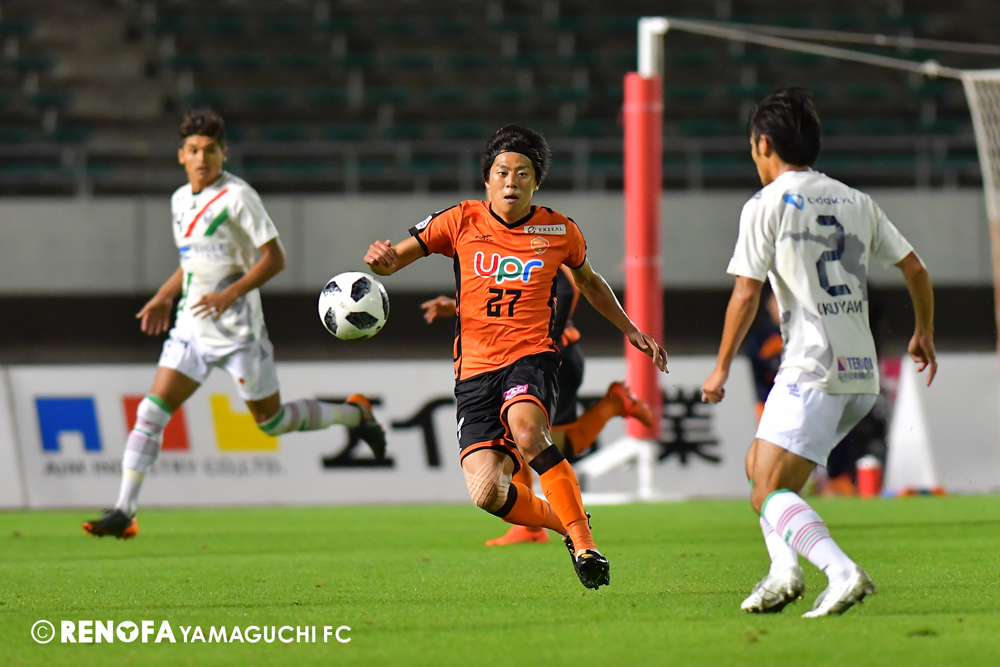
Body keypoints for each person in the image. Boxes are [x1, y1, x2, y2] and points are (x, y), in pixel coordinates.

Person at [365, 125, 667, 589]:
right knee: (488, 491)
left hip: (531, 357)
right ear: (487, 179)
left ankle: (585, 544)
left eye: (523, 173)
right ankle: (568, 524)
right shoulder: (459, 220)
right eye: (502, 172)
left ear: (536, 183)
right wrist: (381, 260)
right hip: (473, 373)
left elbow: (589, 283)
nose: (511, 182)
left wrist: (630, 330)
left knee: (529, 431)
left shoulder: (559, 230)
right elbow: (395, 259)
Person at [83, 109, 386, 539]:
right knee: (151, 410)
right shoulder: (179, 200)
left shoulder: (238, 197)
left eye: (209, 150)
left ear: (223, 153)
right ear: (181, 155)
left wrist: (230, 294)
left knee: (271, 422)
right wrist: (165, 295)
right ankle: (124, 511)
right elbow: (193, 262)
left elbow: (275, 258)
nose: (201, 158)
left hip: (240, 333)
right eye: (193, 150)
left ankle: (354, 414)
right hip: (192, 328)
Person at [700, 89, 936, 617]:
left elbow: (746, 293)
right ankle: (783, 572)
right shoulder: (855, 200)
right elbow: (915, 268)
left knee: (766, 489)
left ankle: (841, 570)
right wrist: (924, 332)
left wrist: (720, 367)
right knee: (759, 467)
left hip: (812, 365)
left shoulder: (766, 204)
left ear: (764, 144)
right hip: (860, 373)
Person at [421, 266, 655, 546]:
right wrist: (459, 306)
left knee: (547, 446)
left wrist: (545, 343)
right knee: (522, 438)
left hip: (547, 358)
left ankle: (614, 404)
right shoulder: (506, 251)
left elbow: (566, 289)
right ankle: (531, 527)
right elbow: (505, 298)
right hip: (516, 360)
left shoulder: (546, 248)